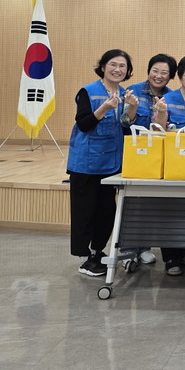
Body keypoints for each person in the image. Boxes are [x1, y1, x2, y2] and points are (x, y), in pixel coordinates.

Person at [67, 49, 136, 277]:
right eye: (113, 64)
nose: (118, 69)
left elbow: (125, 124)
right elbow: (84, 124)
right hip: (86, 163)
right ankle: (84, 258)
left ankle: (97, 252)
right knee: (84, 212)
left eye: (122, 66)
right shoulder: (88, 91)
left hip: (112, 162)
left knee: (107, 211)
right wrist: (105, 107)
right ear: (103, 66)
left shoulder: (126, 93)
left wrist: (132, 107)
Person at [120, 52, 177, 266]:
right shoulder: (132, 91)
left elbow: (168, 129)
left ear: (170, 76)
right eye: (155, 71)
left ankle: (144, 247)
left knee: (151, 204)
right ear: (148, 71)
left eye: (164, 72)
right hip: (135, 156)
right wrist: (132, 108)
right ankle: (128, 250)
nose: (159, 76)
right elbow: (124, 122)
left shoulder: (171, 97)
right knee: (131, 204)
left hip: (159, 157)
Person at [152, 55, 185, 276]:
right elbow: (157, 130)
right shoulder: (167, 98)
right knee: (171, 209)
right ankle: (170, 257)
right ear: (180, 77)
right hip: (173, 161)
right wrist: (162, 113)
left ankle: (182, 250)